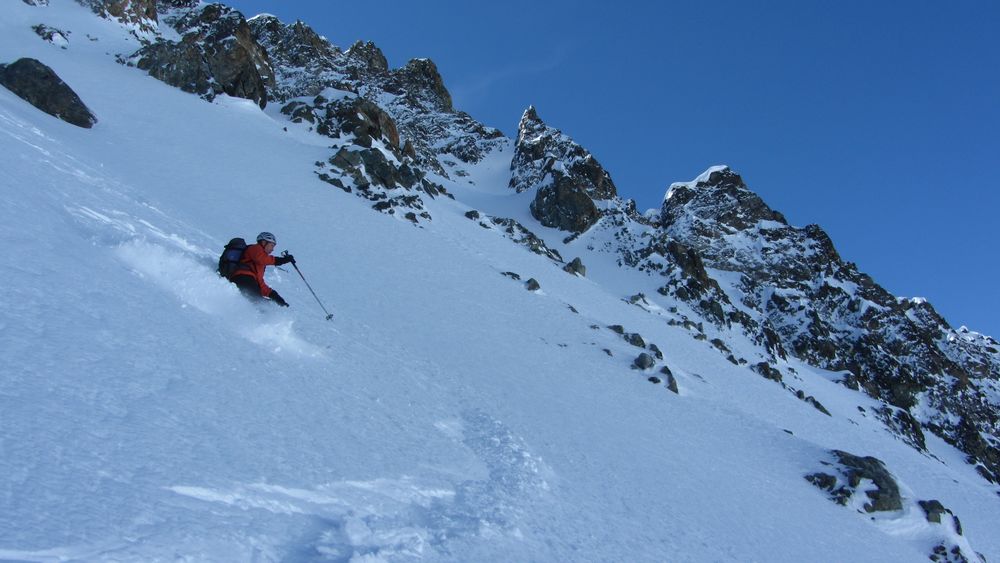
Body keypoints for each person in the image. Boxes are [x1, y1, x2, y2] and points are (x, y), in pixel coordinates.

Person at [230, 232, 295, 307]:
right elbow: (261, 259)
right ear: (264, 242)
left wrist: (275, 296)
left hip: (250, 281)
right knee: (257, 303)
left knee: (260, 304)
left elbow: (260, 283)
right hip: (243, 278)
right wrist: (282, 260)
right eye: (271, 245)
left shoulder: (259, 265)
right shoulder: (255, 248)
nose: (273, 249)